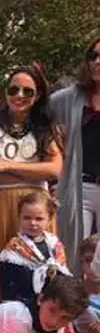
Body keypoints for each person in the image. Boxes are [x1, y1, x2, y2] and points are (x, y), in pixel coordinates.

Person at [0, 67, 63, 292]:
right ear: (6, 92)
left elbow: (54, 170)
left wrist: (4, 164)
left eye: (28, 91)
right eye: (14, 89)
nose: (19, 95)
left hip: (38, 207)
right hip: (0, 204)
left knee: (42, 269)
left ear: (38, 96)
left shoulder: (43, 126)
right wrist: (34, 168)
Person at [54, 36, 100, 268]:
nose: (98, 61)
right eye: (93, 56)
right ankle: (75, 303)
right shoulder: (72, 97)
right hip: (80, 185)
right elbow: (40, 110)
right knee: (74, 253)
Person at [0, 191, 67, 312]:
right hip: (23, 306)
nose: (32, 223)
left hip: (53, 305)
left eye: (39, 219)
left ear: (49, 220)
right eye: (27, 218)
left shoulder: (54, 245)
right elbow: (8, 286)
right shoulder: (13, 250)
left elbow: (63, 276)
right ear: (19, 217)